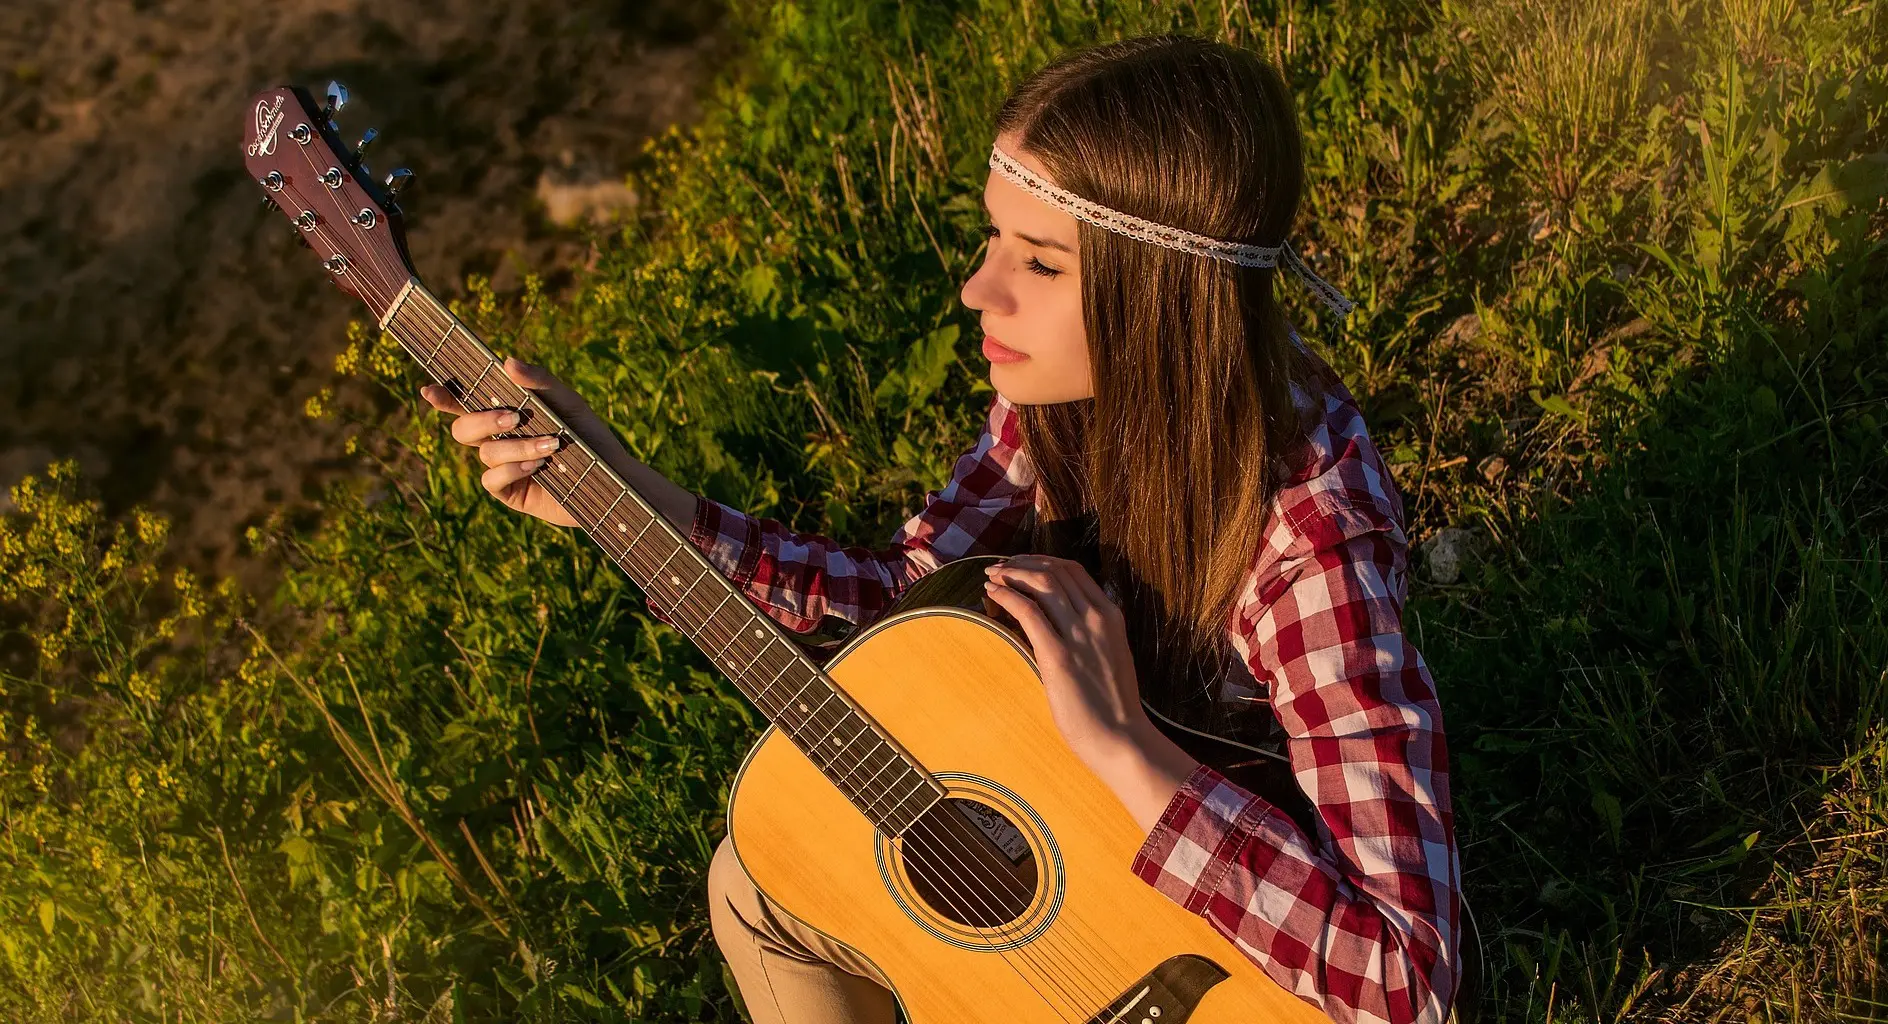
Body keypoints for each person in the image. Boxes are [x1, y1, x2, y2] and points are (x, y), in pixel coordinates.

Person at [421, 33, 1460, 1024]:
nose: (977, 288)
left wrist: (1126, 750)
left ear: (1162, 301)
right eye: (991, 236)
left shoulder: (1311, 536)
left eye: (1040, 264)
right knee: (755, 878)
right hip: (1065, 831)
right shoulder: (1055, 395)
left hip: (1197, 947)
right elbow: (905, 597)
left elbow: (1406, 980)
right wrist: (639, 502)